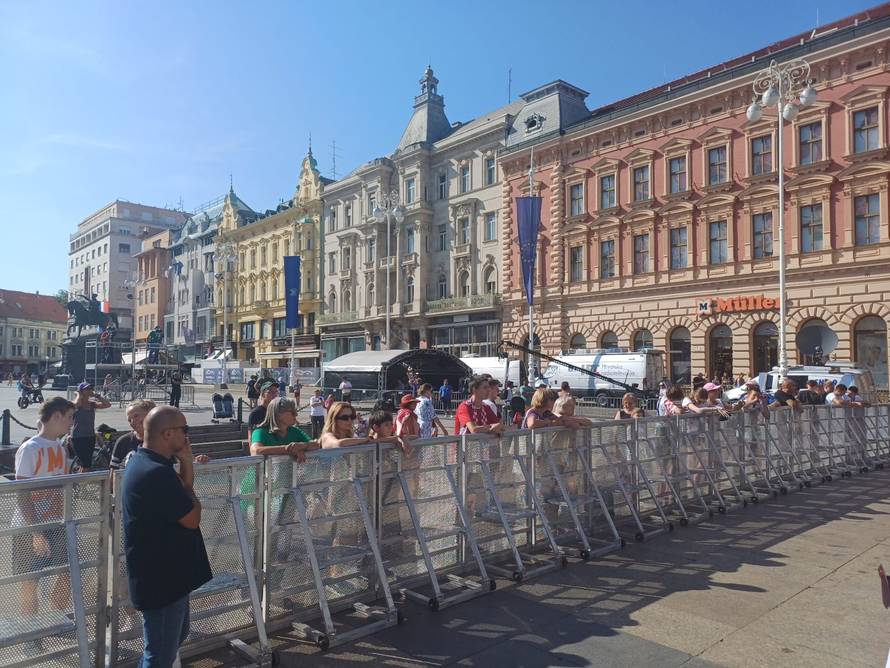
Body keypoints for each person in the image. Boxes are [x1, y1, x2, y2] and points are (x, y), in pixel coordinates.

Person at [122, 406, 212, 667]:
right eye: (185, 430)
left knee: (171, 641)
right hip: (161, 579)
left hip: (169, 574)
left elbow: (182, 492)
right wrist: (194, 500)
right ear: (168, 433)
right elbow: (192, 517)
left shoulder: (149, 462)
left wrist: (186, 462)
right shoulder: (154, 472)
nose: (187, 435)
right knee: (160, 654)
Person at [13, 398, 76, 636]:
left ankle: (54, 621)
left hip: (57, 523)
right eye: (70, 417)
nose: (72, 423)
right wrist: (36, 532)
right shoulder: (30, 448)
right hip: (30, 527)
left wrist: (63, 520)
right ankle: (31, 632)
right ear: (57, 416)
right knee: (30, 581)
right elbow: (23, 493)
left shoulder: (60, 447)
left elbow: (63, 487)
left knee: (68, 572)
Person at [320, 401, 408, 452]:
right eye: (345, 417)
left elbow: (375, 441)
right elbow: (339, 444)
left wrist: (398, 438)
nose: (350, 420)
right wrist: (366, 440)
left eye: (352, 417)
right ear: (334, 419)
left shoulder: (349, 437)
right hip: (334, 483)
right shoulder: (328, 436)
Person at [250, 397, 319, 462]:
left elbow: (316, 445)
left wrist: (302, 446)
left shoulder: (294, 431)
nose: (296, 414)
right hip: (260, 474)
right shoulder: (260, 432)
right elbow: (256, 451)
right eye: (292, 411)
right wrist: (288, 449)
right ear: (279, 414)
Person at [70, 382, 111, 471]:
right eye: (86, 389)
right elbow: (75, 405)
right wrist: (78, 395)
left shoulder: (92, 403)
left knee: (86, 464)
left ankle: (80, 482)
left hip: (90, 436)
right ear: (81, 391)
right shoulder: (77, 404)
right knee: (85, 464)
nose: (89, 390)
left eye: (90, 388)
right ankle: (82, 483)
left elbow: (107, 405)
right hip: (78, 437)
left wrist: (97, 396)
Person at [110, 400, 157, 471]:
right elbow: (113, 471)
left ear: (150, 414)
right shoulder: (123, 441)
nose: (132, 422)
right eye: (129, 420)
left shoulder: (164, 440)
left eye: (136, 416)